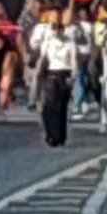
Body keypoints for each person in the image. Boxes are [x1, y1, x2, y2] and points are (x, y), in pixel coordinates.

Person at [38, 14, 77, 147]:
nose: (56, 31)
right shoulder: (47, 42)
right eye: (53, 28)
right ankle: (50, 134)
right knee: (48, 107)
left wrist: (72, 77)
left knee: (61, 107)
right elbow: (42, 59)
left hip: (64, 74)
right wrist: (39, 75)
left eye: (58, 28)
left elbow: (73, 61)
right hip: (51, 74)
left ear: (62, 30)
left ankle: (60, 137)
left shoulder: (70, 43)